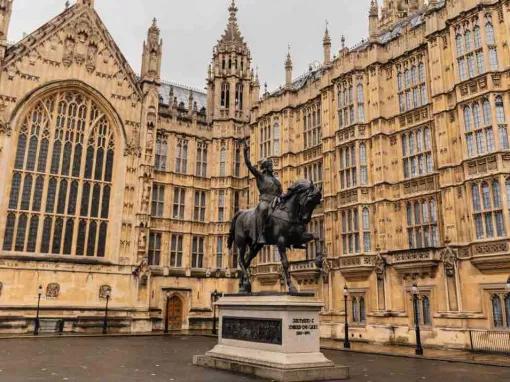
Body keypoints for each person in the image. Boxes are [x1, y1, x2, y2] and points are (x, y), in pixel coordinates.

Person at [243, 140, 282, 245]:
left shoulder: (276, 181)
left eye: (271, 164)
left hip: (275, 202)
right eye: (269, 164)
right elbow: (249, 165)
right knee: (263, 209)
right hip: (265, 201)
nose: (271, 166)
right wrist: (245, 153)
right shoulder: (261, 176)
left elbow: (281, 193)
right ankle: (260, 235)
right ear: (265, 167)